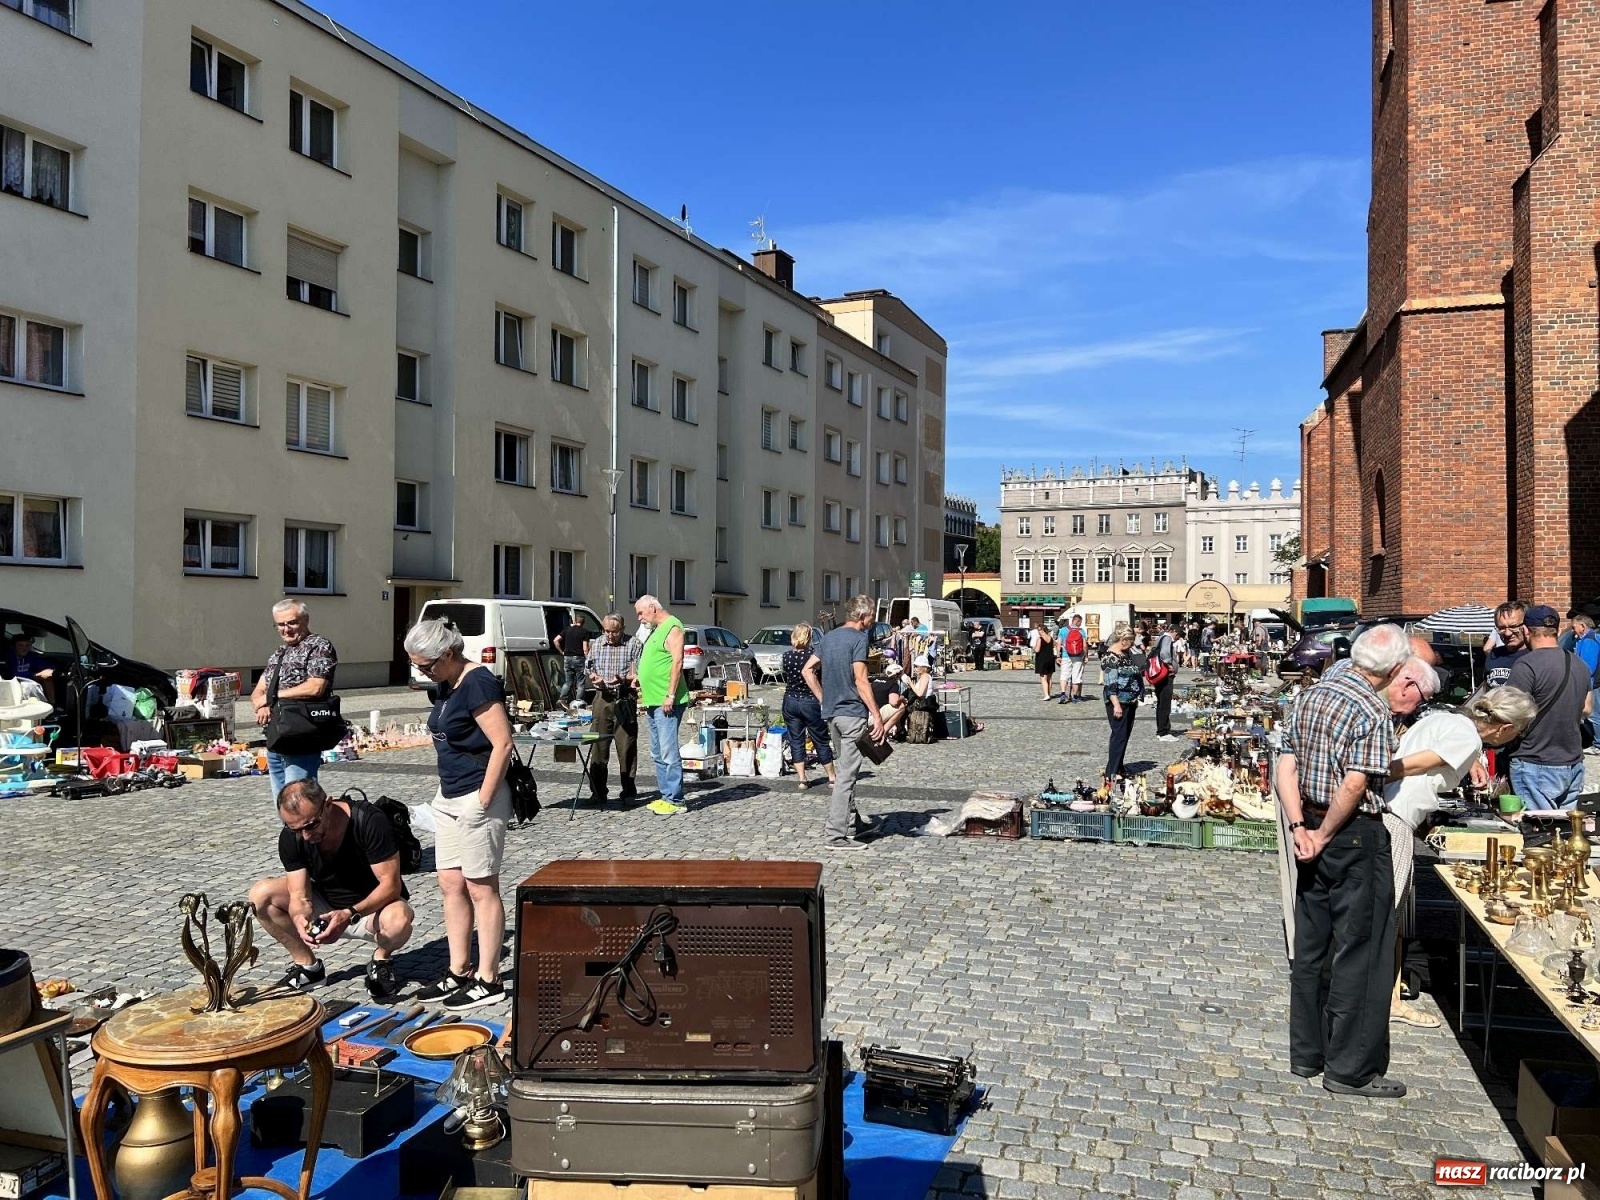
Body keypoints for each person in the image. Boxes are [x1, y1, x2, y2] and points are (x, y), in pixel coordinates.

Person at [1275, 622, 1410, 1098]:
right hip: (1350, 832)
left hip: (1311, 822)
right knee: (1362, 951)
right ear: (1395, 668)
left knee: (1311, 946)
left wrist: (1300, 827)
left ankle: (1307, 1053)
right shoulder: (1371, 708)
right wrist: (1325, 832)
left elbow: (1285, 765)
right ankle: (1350, 1068)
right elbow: (1355, 784)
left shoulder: (1310, 695)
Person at [1383, 683, 1535, 1027]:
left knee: (1393, 914)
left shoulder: (1445, 718)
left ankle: (1388, 996)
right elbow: (1417, 763)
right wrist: (1379, 773)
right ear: (1506, 727)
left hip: (1395, 813)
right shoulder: (1467, 736)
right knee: (1389, 913)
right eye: (1520, 731)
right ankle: (1384, 1000)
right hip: (1395, 816)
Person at [405, 619, 514, 1010]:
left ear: (449, 654)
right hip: (448, 796)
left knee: (481, 888)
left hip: (476, 796)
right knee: (450, 884)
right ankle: (458, 969)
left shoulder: (478, 682)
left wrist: (482, 800)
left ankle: (489, 979)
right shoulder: (446, 683)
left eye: (426, 665)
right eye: (416, 666)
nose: (422, 673)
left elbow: (503, 743)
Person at [249, 779, 414, 999]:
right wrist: (299, 916)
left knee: (399, 919)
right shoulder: (292, 836)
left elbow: (391, 886)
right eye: (296, 829)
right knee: (261, 895)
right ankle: (309, 968)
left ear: (328, 804)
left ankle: (381, 960)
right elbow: (299, 894)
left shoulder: (369, 820)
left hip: (371, 910)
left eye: (311, 825)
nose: (306, 835)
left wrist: (348, 914)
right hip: (325, 905)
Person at [805, 595, 886, 851]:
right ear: (862, 616)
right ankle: (835, 835)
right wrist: (877, 715)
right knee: (846, 778)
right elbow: (861, 680)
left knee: (845, 772)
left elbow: (808, 670)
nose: (873, 621)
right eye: (872, 616)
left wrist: (823, 698)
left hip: (833, 716)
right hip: (851, 714)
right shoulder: (859, 639)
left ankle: (853, 824)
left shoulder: (829, 638)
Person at [1506, 604, 1593, 812]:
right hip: (1572, 762)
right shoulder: (1579, 664)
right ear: (1556, 630)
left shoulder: (1526, 665)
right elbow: (1587, 709)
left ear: (1526, 631)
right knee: (1565, 828)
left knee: (1539, 829)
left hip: (1534, 761)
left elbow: (1510, 712)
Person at [249, 600, 337, 802]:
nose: (286, 629)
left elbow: (315, 687)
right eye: (280, 624)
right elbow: (258, 692)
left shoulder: (319, 646)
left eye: (292, 623)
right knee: (281, 802)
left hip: (301, 735)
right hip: (276, 736)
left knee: (299, 800)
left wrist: (271, 698)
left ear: (305, 620)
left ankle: (311, 824)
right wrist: (262, 705)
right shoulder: (279, 653)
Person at [634, 594, 690, 816]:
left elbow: (677, 662)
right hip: (652, 700)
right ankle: (666, 795)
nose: (639, 617)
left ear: (652, 607)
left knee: (668, 752)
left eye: (641, 612)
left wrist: (670, 695)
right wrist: (640, 677)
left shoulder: (673, 627)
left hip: (666, 701)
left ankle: (676, 800)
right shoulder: (656, 630)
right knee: (657, 752)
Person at [584, 614, 640, 805]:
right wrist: (593, 676)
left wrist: (625, 679)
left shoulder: (633, 644)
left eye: (614, 632)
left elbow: (640, 672)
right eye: (606, 631)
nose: (609, 635)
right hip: (602, 698)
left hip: (624, 698)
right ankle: (598, 792)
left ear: (622, 629)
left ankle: (628, 791)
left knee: (627, 747)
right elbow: (588, 666)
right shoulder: (598, 643)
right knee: (598, 746)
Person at [782, 623, 834, 791]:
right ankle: (832, 777)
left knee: (796, 740)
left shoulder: (786, 656)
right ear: (809, 638)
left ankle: (802, 779)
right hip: (810, 701)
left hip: (790, 699)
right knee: (820, 739)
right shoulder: (814, 656)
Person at [1100, 624, 1142, 780]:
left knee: (1124, 735)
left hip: (1130, 700)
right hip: (1118, 701)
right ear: (1123, 640)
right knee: (1119, 736)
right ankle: (1111, 772)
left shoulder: (1126, 654)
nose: (1131, 644)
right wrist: (1116, 705)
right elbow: (1110, 684)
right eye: (1130, 641)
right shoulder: (1109, 657)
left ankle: (1118, 767)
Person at [1485, 601, 1531, 689]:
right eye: (1502, 628)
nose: (1507, 633)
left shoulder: (1534, 657)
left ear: (1526, 626)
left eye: (1513, 627)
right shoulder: (1493, 655)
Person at [3, 632, 56, 707]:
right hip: (12, 682)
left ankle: (51, 705)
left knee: (47, 679)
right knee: (29, 687)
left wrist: (50, 670)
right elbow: (12, 674)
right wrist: (35, 675)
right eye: (20, 645)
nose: (24, 648)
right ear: (14, 646)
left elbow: (47, 665)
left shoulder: (30, 656)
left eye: (27, 645)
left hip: (29, 681)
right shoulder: (9, 656)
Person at [1572, 613, 1600, 752]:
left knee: (1594, 715)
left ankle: (1598, 745)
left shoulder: (1589, 640)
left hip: (1592, 684)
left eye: (1574, 627)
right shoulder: (1590, 638)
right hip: (1593, 683)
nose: (1573, 631)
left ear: (1582, 626)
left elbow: (1588, 667)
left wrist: (1580, 682)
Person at [554, 617, 592, 710]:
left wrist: (561, 652)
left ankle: (561, 699)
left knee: (568, 681)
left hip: (567, 657)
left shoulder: (567, 630)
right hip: (579, 658)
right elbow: (585, 648)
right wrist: (588, 659)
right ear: (583, 623)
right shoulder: (584, 632)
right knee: (580, 682)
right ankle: (578, 703)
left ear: (575, 621)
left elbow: (555, 640)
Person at [1151, 621, 1179, 741]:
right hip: (1165, 675)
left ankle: (1163, 728)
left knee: (1162, 703)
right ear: (1174, 632)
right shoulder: (1167, 639)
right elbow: (1164, 653)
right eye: (1178, 636)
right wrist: (1169, 665)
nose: (1177, 639)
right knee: (1165, 703)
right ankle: (1163, 731)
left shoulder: (1161, 637)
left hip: (1160, 675)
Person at [1058, 615, 1088, 704]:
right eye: (1080, 622)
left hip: (1066, 655)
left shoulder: (1063, 630)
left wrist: (1058, 656)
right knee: (1076, 676)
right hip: (1078, 656)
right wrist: (1086, 656)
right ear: (1078, 621)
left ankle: (1063, 694)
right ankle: (1075, 697)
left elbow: (1058, 644)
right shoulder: (1081, 631)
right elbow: (1084, 646)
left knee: (1064, 675)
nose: (1080, 624)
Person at [1032, 624, 1056, 701]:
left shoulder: (1040, 639)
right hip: (1050, 659)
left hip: (1042, 659)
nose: (1038, 632)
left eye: (1039, 630)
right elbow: (1053, 646)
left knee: (1043, 678)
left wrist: (1034, 647)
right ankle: (1049, 693)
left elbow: (1037, 650)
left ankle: (1046, 695)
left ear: (1042, 630)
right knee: (1049, 678)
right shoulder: (1051, 638)